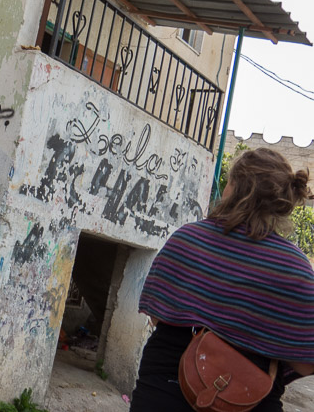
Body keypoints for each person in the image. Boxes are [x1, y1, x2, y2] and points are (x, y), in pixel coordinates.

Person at [131, 148, 314, 411]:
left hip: (165, 386)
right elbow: (305, 363)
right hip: (250, 399)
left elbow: (157, 316)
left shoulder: (187, 239)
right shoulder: (295, 267)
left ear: (236, 188)